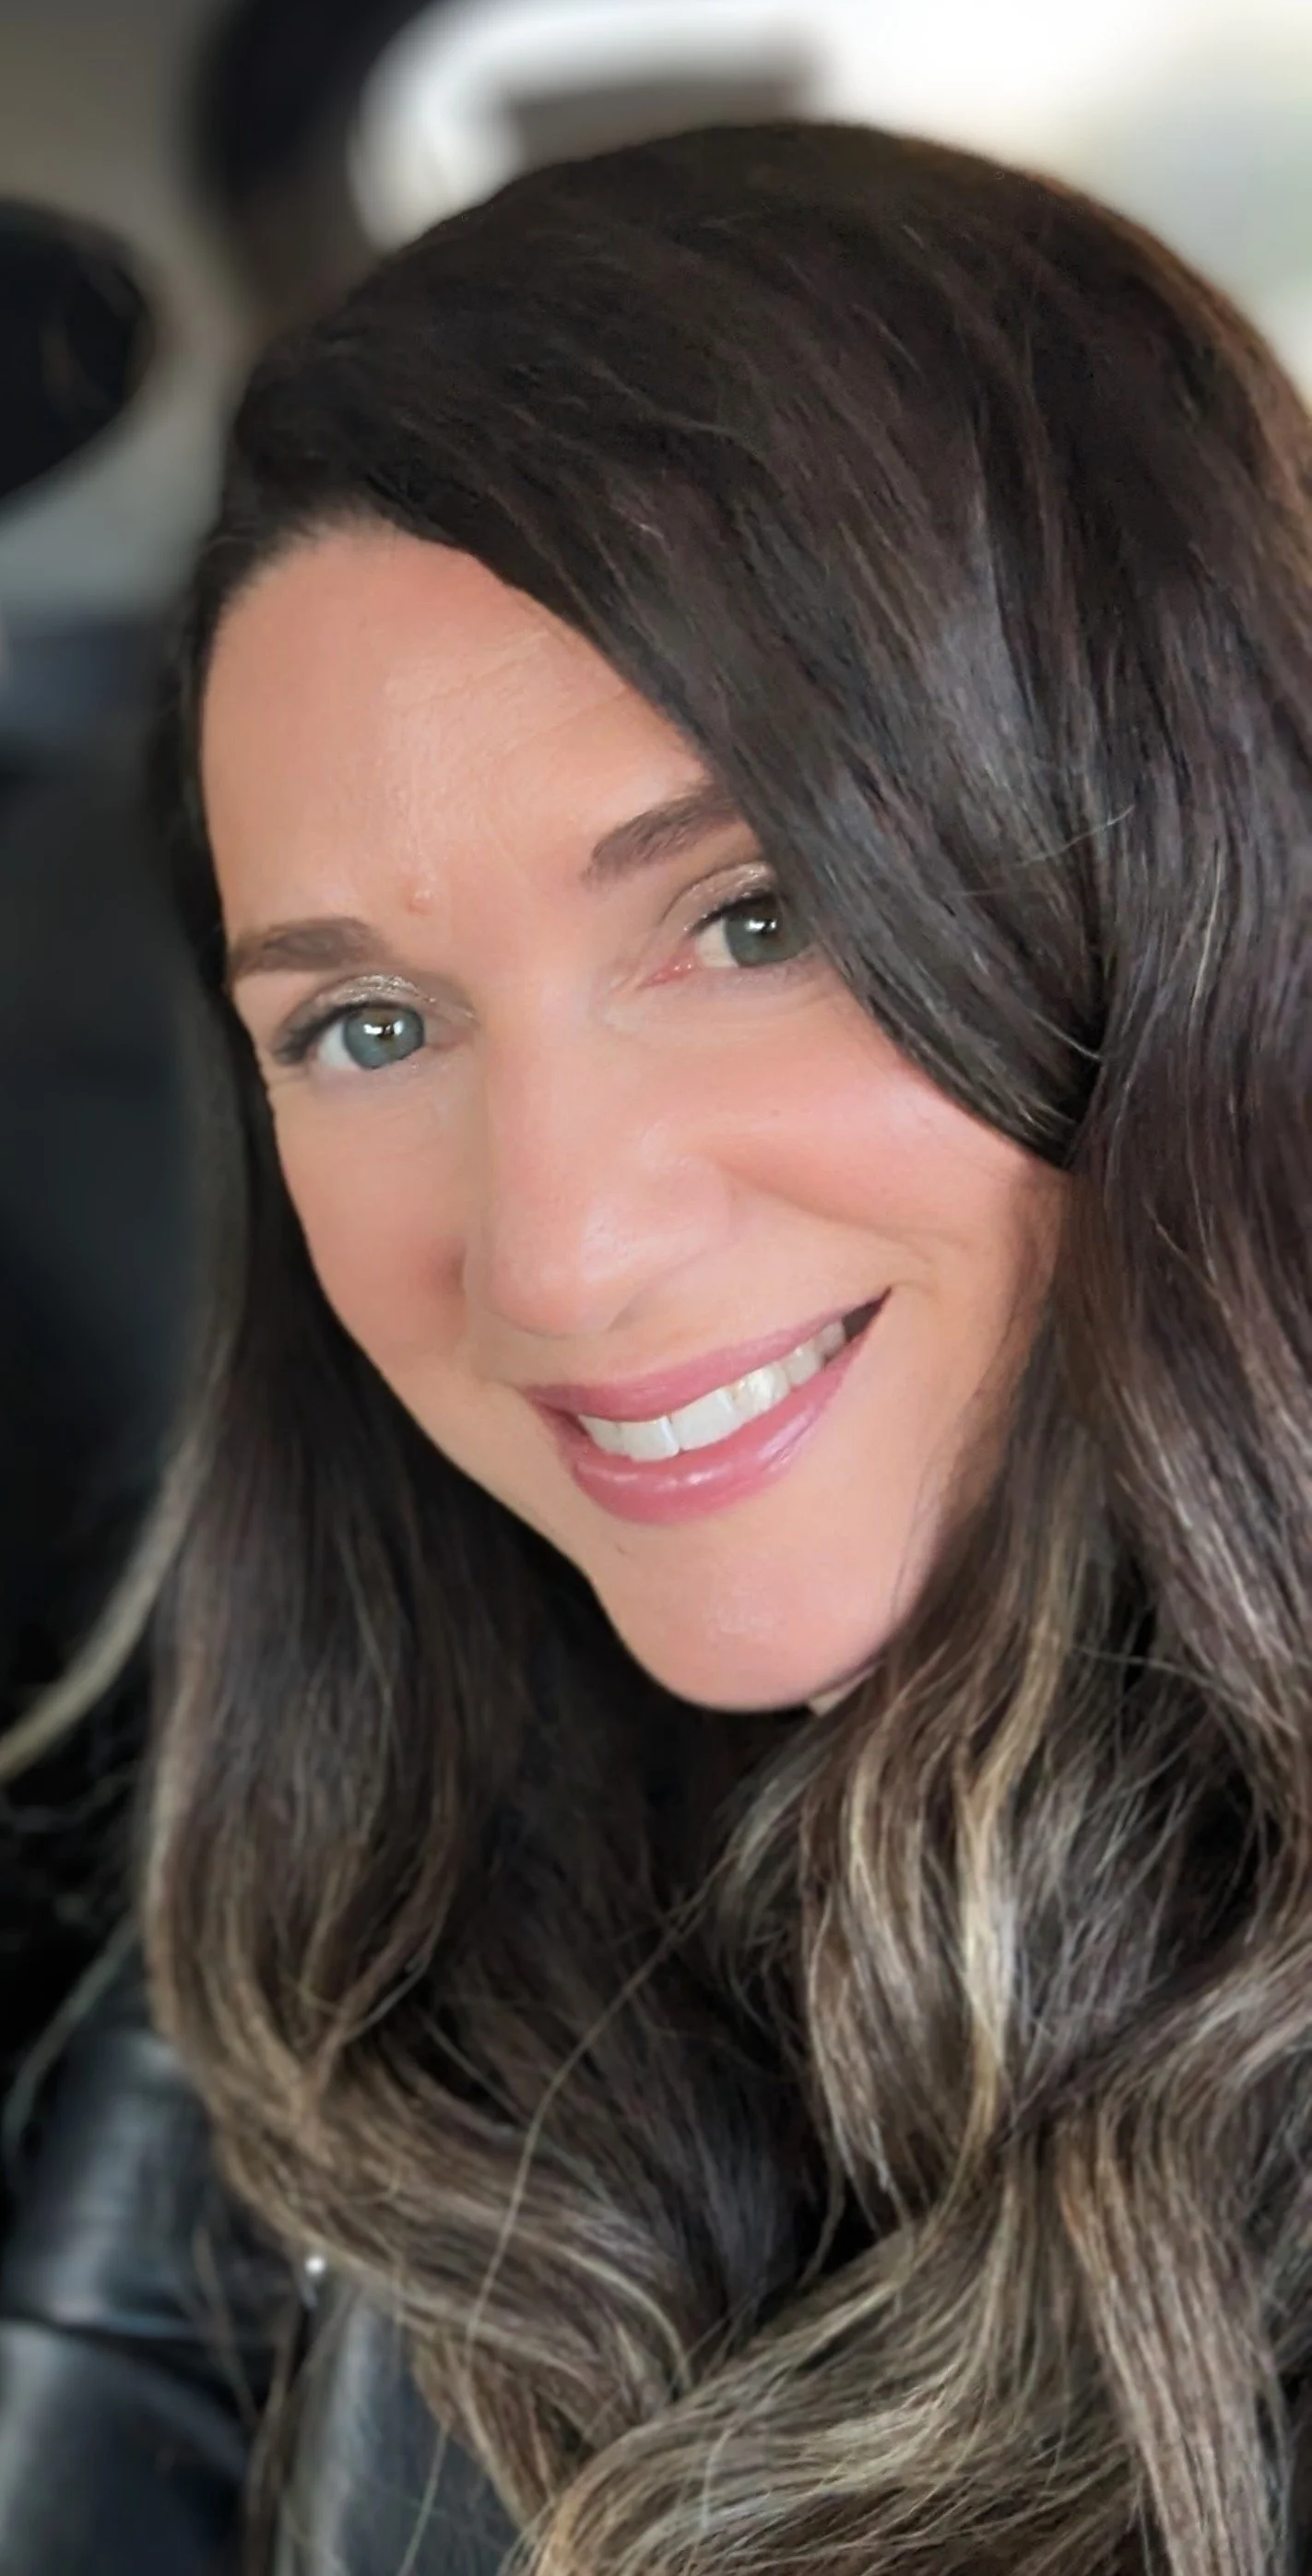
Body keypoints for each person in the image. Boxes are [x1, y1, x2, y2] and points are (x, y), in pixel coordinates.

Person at [2, 116, 1310, 2576]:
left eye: (749, 916)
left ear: (1198, 868)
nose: (561, 1258)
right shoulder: (331, 1967)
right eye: (371, 1029)